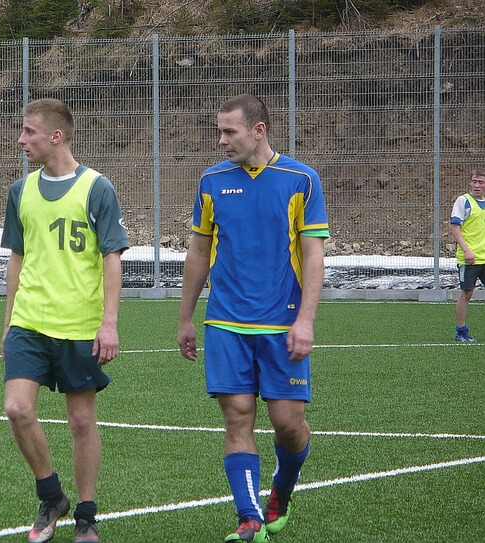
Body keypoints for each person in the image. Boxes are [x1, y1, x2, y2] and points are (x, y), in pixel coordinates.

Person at [177, 94, 329, 543]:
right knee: (237, 416)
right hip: (226, 321)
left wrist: (306, 320)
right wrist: (186, 316)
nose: (221, 140)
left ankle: (282, 487)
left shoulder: (301, 179)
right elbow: (199, 251)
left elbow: (313, 255)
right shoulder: (211, 181)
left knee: (288, 423)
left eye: (230, 131)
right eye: (219, 131)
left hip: (282, 323)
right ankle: (249, 517)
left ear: (258, 130)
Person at [0, 98, 129, 543]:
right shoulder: (20, 191)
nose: (21, 140)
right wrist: (8, 322)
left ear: (56, 136)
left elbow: (112, 257)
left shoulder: (97, 188)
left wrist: (109, 323)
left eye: (29, 131)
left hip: (79, 324)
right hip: (29, 320)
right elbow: (17, 260)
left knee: (80, 421)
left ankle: (86, 515)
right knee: (17, 408)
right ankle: (51, 495)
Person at [449, 168, 485, 343]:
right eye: (474, 181)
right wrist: (466, 250)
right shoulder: (463, 201)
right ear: (470, 183)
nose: (477, 185)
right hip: (470, 258)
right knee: (467, 293)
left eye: (481, 182)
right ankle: (461, 332)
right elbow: (455, 227)